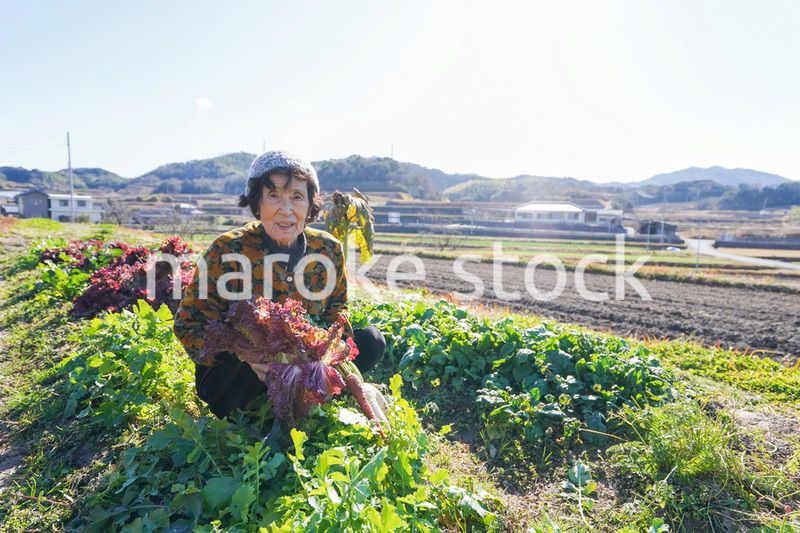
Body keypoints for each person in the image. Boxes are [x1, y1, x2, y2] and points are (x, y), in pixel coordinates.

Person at [173, 150, 385, 419]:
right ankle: (269, 408)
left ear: (310, 205)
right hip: (243, 377)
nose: (286, 210)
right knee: (238, 379)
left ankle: (308, 394)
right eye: (273, 196)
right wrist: (246, 356)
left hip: (303, 367)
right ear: (257, 203)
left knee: (371, 341)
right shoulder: (227, 249)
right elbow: (188, 325)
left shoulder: (327, 249)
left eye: (297, 197)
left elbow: (336, 313)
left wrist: (323, 353)